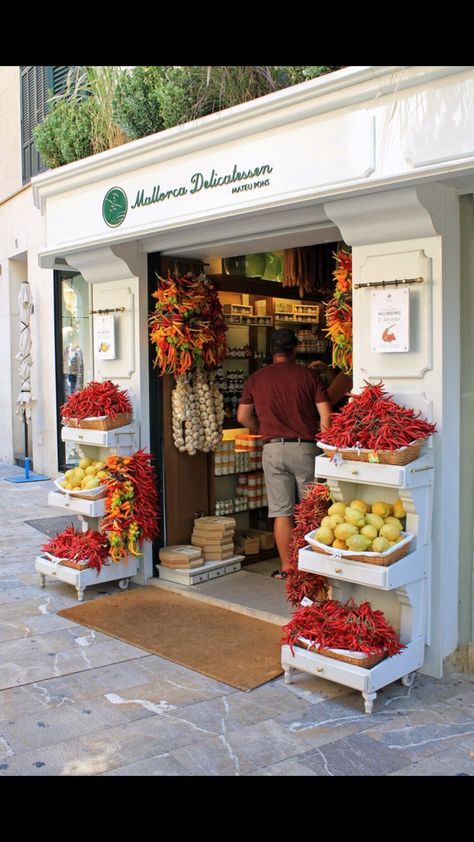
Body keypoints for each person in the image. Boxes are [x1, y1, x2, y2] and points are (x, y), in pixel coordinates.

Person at [237, 328, 331, 580]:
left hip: (272, 449)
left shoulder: (256, 378)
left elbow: (243, 416)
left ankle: (288, 567)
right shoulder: (309, 376)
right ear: (296, 348)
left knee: (281, 511)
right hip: (305, 448)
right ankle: (315, 565)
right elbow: (325, 415)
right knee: (311, 509)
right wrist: (326, 446)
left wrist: (262, 430)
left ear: (271, 351)